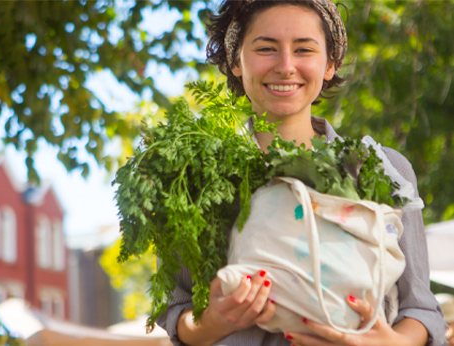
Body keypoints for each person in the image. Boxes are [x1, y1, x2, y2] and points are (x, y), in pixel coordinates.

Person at [156, 1, 448, 345]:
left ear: (330, 64)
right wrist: (212, 323)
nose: (285, 66)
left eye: (304, 49)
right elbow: (176, 307)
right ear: (236, 61)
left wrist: (393, 342)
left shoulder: (382, 169)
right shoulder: (191, 180)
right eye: (266, 48)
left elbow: (421, 309)